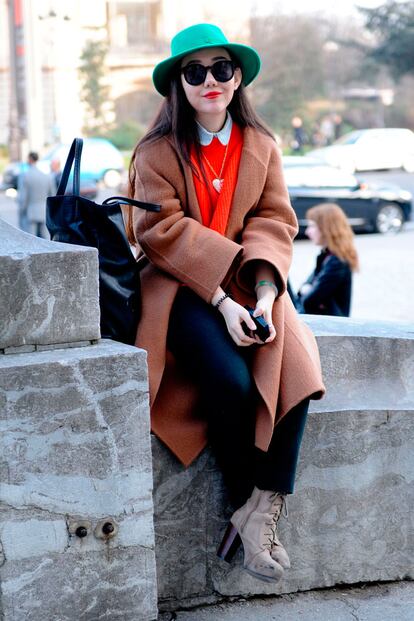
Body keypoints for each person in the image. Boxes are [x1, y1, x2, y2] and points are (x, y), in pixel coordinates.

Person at [126, 23, 325, 584]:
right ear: (179, 86)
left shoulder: (262, 146)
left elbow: (274, 220)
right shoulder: (156, 152)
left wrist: (263, 294)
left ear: (238, 77)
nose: (210, 81)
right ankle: (245, 499)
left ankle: (259, 512)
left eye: (221, 69)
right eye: (195, 73)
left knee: (297, 370)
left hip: (250, 284)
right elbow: (158, 231)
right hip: (179, 289)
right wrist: (220, 300)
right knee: (231, 382)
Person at [296, 203, 359, 317]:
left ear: (326, 228)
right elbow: (306, 288)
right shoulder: (326, 255)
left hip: (332, 326)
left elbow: (310, 300)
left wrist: (307, 290)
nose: (307, 231)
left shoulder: (337, 261)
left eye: (312, 226)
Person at [17, 151, 55, 238]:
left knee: (31, 239)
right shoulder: (46, 176)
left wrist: (21, 211)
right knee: (45, 239)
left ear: (30, 159)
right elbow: (52, 195)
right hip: (44, 212)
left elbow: (23, 197)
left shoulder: (25, 176)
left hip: (31, 212)